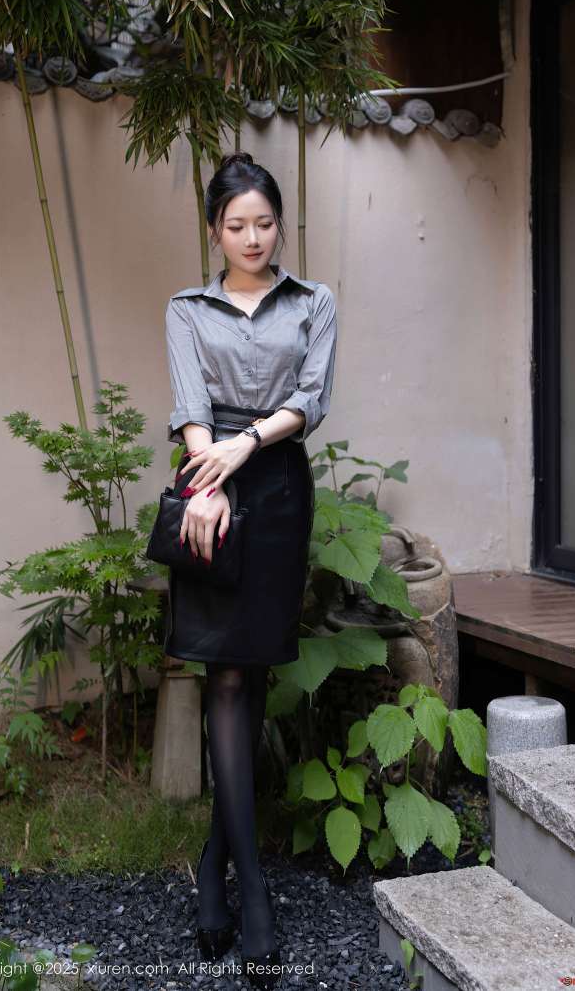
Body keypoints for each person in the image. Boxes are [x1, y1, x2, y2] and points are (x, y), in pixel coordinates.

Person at [163, 151, 337, 989]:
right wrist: (207, 483)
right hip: (211, 485)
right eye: (236, 225)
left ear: (279, 225)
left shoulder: (313, 301)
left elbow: (310, 398)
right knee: (225, 675)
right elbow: (189, 407)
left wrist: (244, 447)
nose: (252, 237)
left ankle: (211, 867)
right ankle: (251, 888)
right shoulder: (186, 308)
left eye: (264, 222)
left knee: (254, 668)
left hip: (276, 486)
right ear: (214, 230)